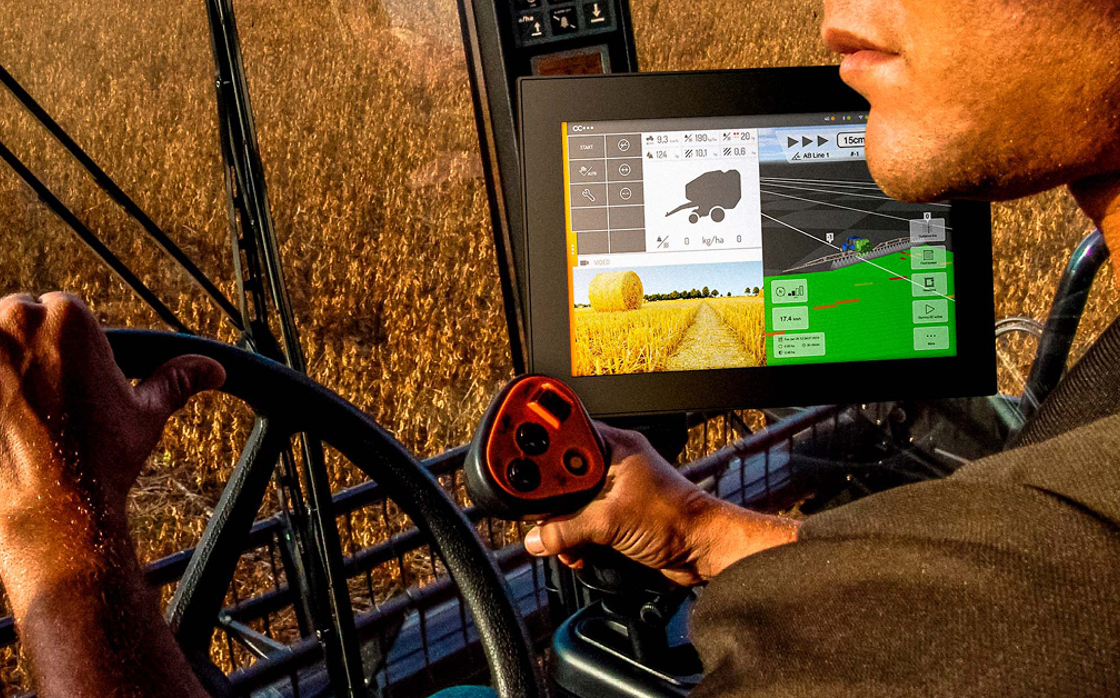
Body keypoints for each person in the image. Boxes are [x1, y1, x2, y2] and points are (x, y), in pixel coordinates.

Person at [1, 0, 1119, 696]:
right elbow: (964, 606)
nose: (833, 9)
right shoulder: (1065, 493)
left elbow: (984, 618)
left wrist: (67, 553)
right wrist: (702, 532)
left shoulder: (1037, 595)